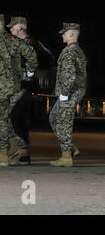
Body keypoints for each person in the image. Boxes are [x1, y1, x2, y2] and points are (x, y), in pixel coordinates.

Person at [0, 14, 38, 166]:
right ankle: (17, 143)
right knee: (1, 116)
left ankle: (3, 152)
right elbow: (32, 56)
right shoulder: (16, 41)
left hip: (0, 85)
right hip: (16, 85)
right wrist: (30, 72)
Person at [49, 22, 87, 167]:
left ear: (71, 34)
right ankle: (70, 147)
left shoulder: (70, 51)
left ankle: (66, 156)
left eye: (64, 33)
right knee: (53, 118)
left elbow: (69, 75)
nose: (62, 35)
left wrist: (64, 93)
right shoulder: (76, 50)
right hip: (73, 91)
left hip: (70, 92)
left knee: (64, 122)